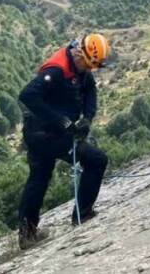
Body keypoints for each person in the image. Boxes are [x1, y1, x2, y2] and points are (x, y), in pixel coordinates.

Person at [16, 33, 110, 249]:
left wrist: (87, 118)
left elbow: (90, 91)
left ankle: (27, 234)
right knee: (96, 161)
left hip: (50, 132)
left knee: (38, 178)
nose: (90, 70)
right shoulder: (56, 70)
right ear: (80, 53)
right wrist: (60, 120)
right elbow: (27, 96)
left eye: (93, 67)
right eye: (89, 65)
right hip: (43, 134)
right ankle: (81, 215)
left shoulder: (80, 66)